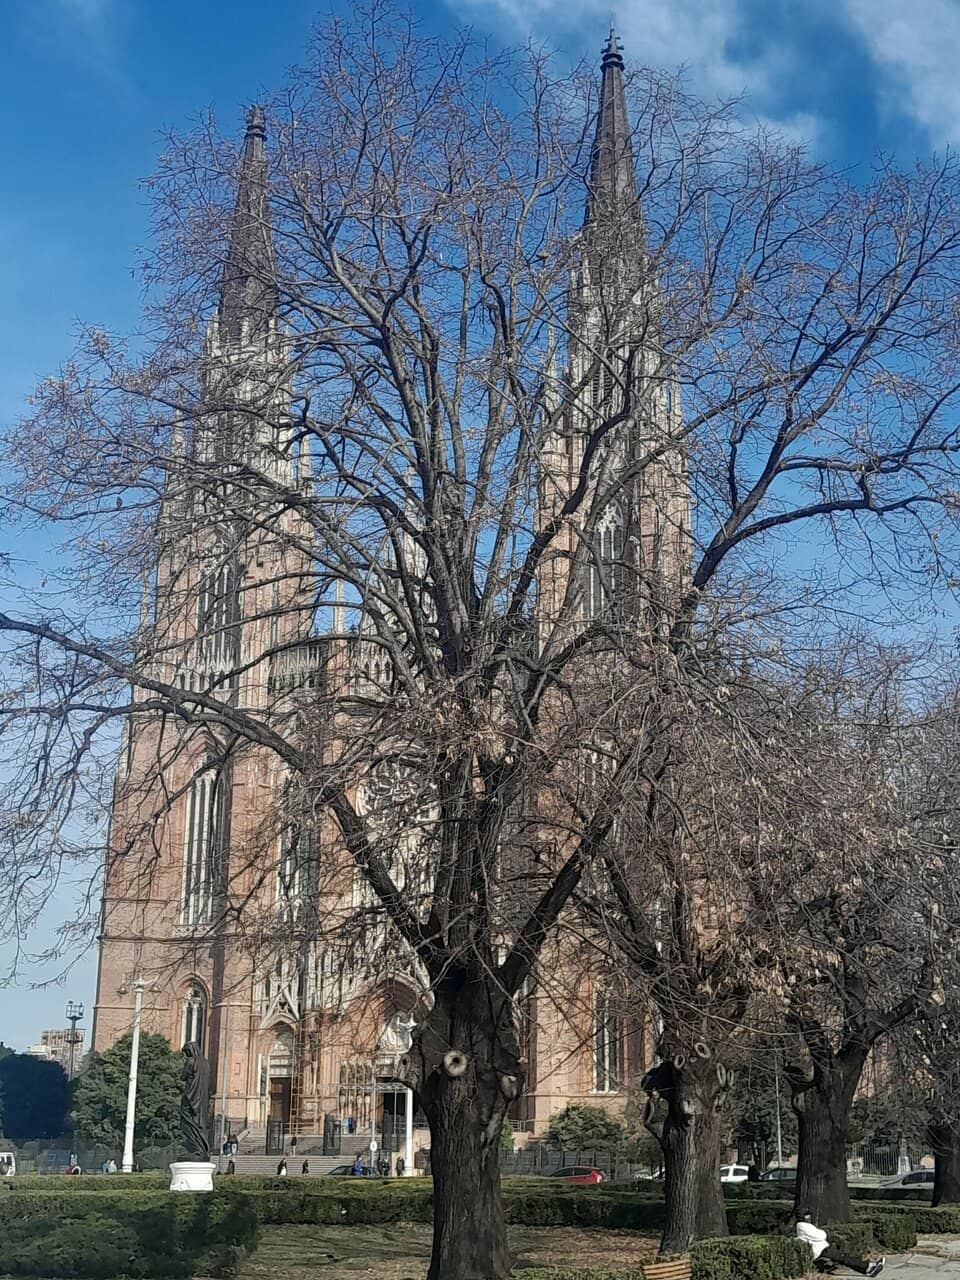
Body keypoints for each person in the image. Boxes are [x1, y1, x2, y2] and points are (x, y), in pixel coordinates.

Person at [795, 1206, 884, 1275]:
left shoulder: (803, 1225)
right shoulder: (804, 1226)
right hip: (821, 1250)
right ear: (805, 1216)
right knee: (844, 1258)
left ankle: (867, 1268)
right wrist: (822, 1232)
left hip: (822, 1249)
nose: (810, 1216)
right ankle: (869, 1267)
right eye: (808, 1214)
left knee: (843, 1258)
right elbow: (821, 1236)